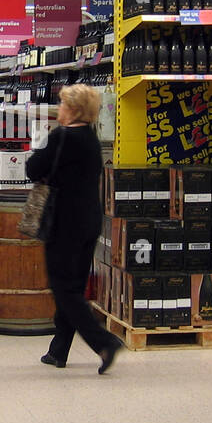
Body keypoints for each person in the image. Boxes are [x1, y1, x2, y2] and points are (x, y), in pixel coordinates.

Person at [26, 84, 123, 373]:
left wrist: (41, 151)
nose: (60, 109)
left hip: (64, 222)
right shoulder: (92, 139)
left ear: (74, 109)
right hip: (90, 220)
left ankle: (104, 342)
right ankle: (58, 351)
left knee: (63, 288)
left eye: (63, 104)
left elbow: (33, 169)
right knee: (74, 286)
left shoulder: (62, 137)